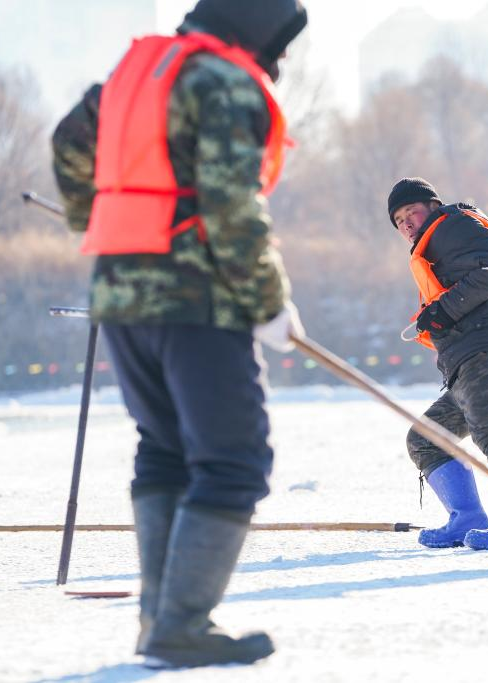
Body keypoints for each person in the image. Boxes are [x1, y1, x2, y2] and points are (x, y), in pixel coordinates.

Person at [51, 0, 308, 667]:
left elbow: (69, 144)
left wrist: (97, 224)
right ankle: (181, 623)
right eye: (278, 46)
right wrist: (270, 300)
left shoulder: (138, 72)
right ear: (254, 32)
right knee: (234, 458)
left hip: (119, 289)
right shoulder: (221, 81)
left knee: (164, 446)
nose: (278, 63)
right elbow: (230, 205)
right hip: (194, 295)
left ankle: (160, 621)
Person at [388, 177, 488, 551]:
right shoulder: (435, 243)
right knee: (426, 441)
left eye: (412, 212)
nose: (407, 223)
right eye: (399, 220)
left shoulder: (453, 225)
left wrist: (443, 310)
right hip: (468, 360)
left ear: (434, 205)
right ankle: (467, 519)